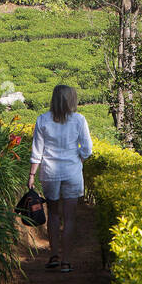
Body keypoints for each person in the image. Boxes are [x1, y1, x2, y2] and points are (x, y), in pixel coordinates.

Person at [27, 84, 92, 273]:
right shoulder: (79, 120)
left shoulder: (43, 120)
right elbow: (87, 150)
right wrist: (76, 156)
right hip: (72, 171)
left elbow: (36, 152)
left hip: (50, 172)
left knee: (53, 214)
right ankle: (66, 260)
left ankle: (54, 255)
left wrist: (31, 175)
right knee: (69, 217)